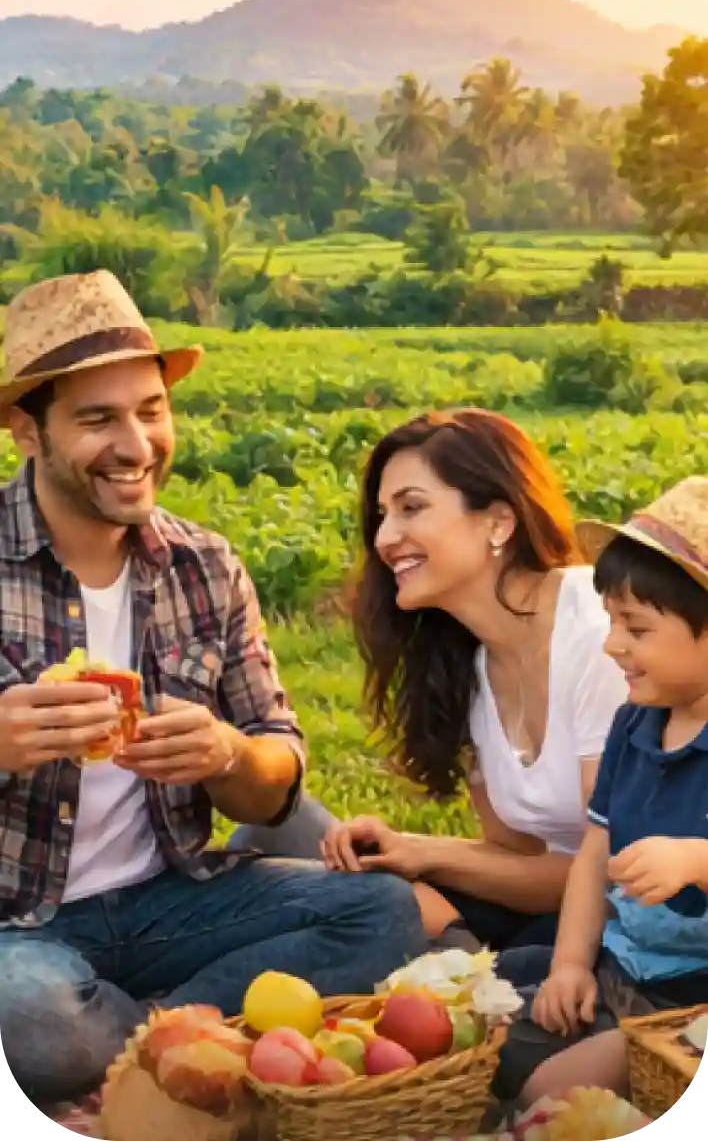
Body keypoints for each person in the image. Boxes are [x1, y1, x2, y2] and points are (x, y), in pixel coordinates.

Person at [0, 271, 427, 1114]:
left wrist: (229, 755)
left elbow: (276, 779)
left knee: (383, 913)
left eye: (151, 410)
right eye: (97, 419)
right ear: (26, 431)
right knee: (30, 1014)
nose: (136, 445)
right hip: (20, 930)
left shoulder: (204, 565)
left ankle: (154, 1037)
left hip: (173, 900)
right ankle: (194, 1031)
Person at [321, 409, 628, 957]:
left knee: (388, 917)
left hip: (635, 931)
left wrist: (426, 855)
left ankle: (461, 958)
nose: (385, 538)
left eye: (411, 507)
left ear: (498, 522)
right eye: (382, 515)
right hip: (550, 911)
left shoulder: (597, 634)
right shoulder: (468, 662)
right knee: (290, 843)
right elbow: (515, 861)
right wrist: (405, 852)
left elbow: (612, 872)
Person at [492, 477, 708, 1109]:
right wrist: (570, 965)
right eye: (612, 621)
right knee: (489, 1041)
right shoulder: (635, 724)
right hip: (620, 970)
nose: (612, 644)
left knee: (546, 1095)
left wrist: (697, 860)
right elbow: (595, 851)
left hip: (691, 1008)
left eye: (636, 628)